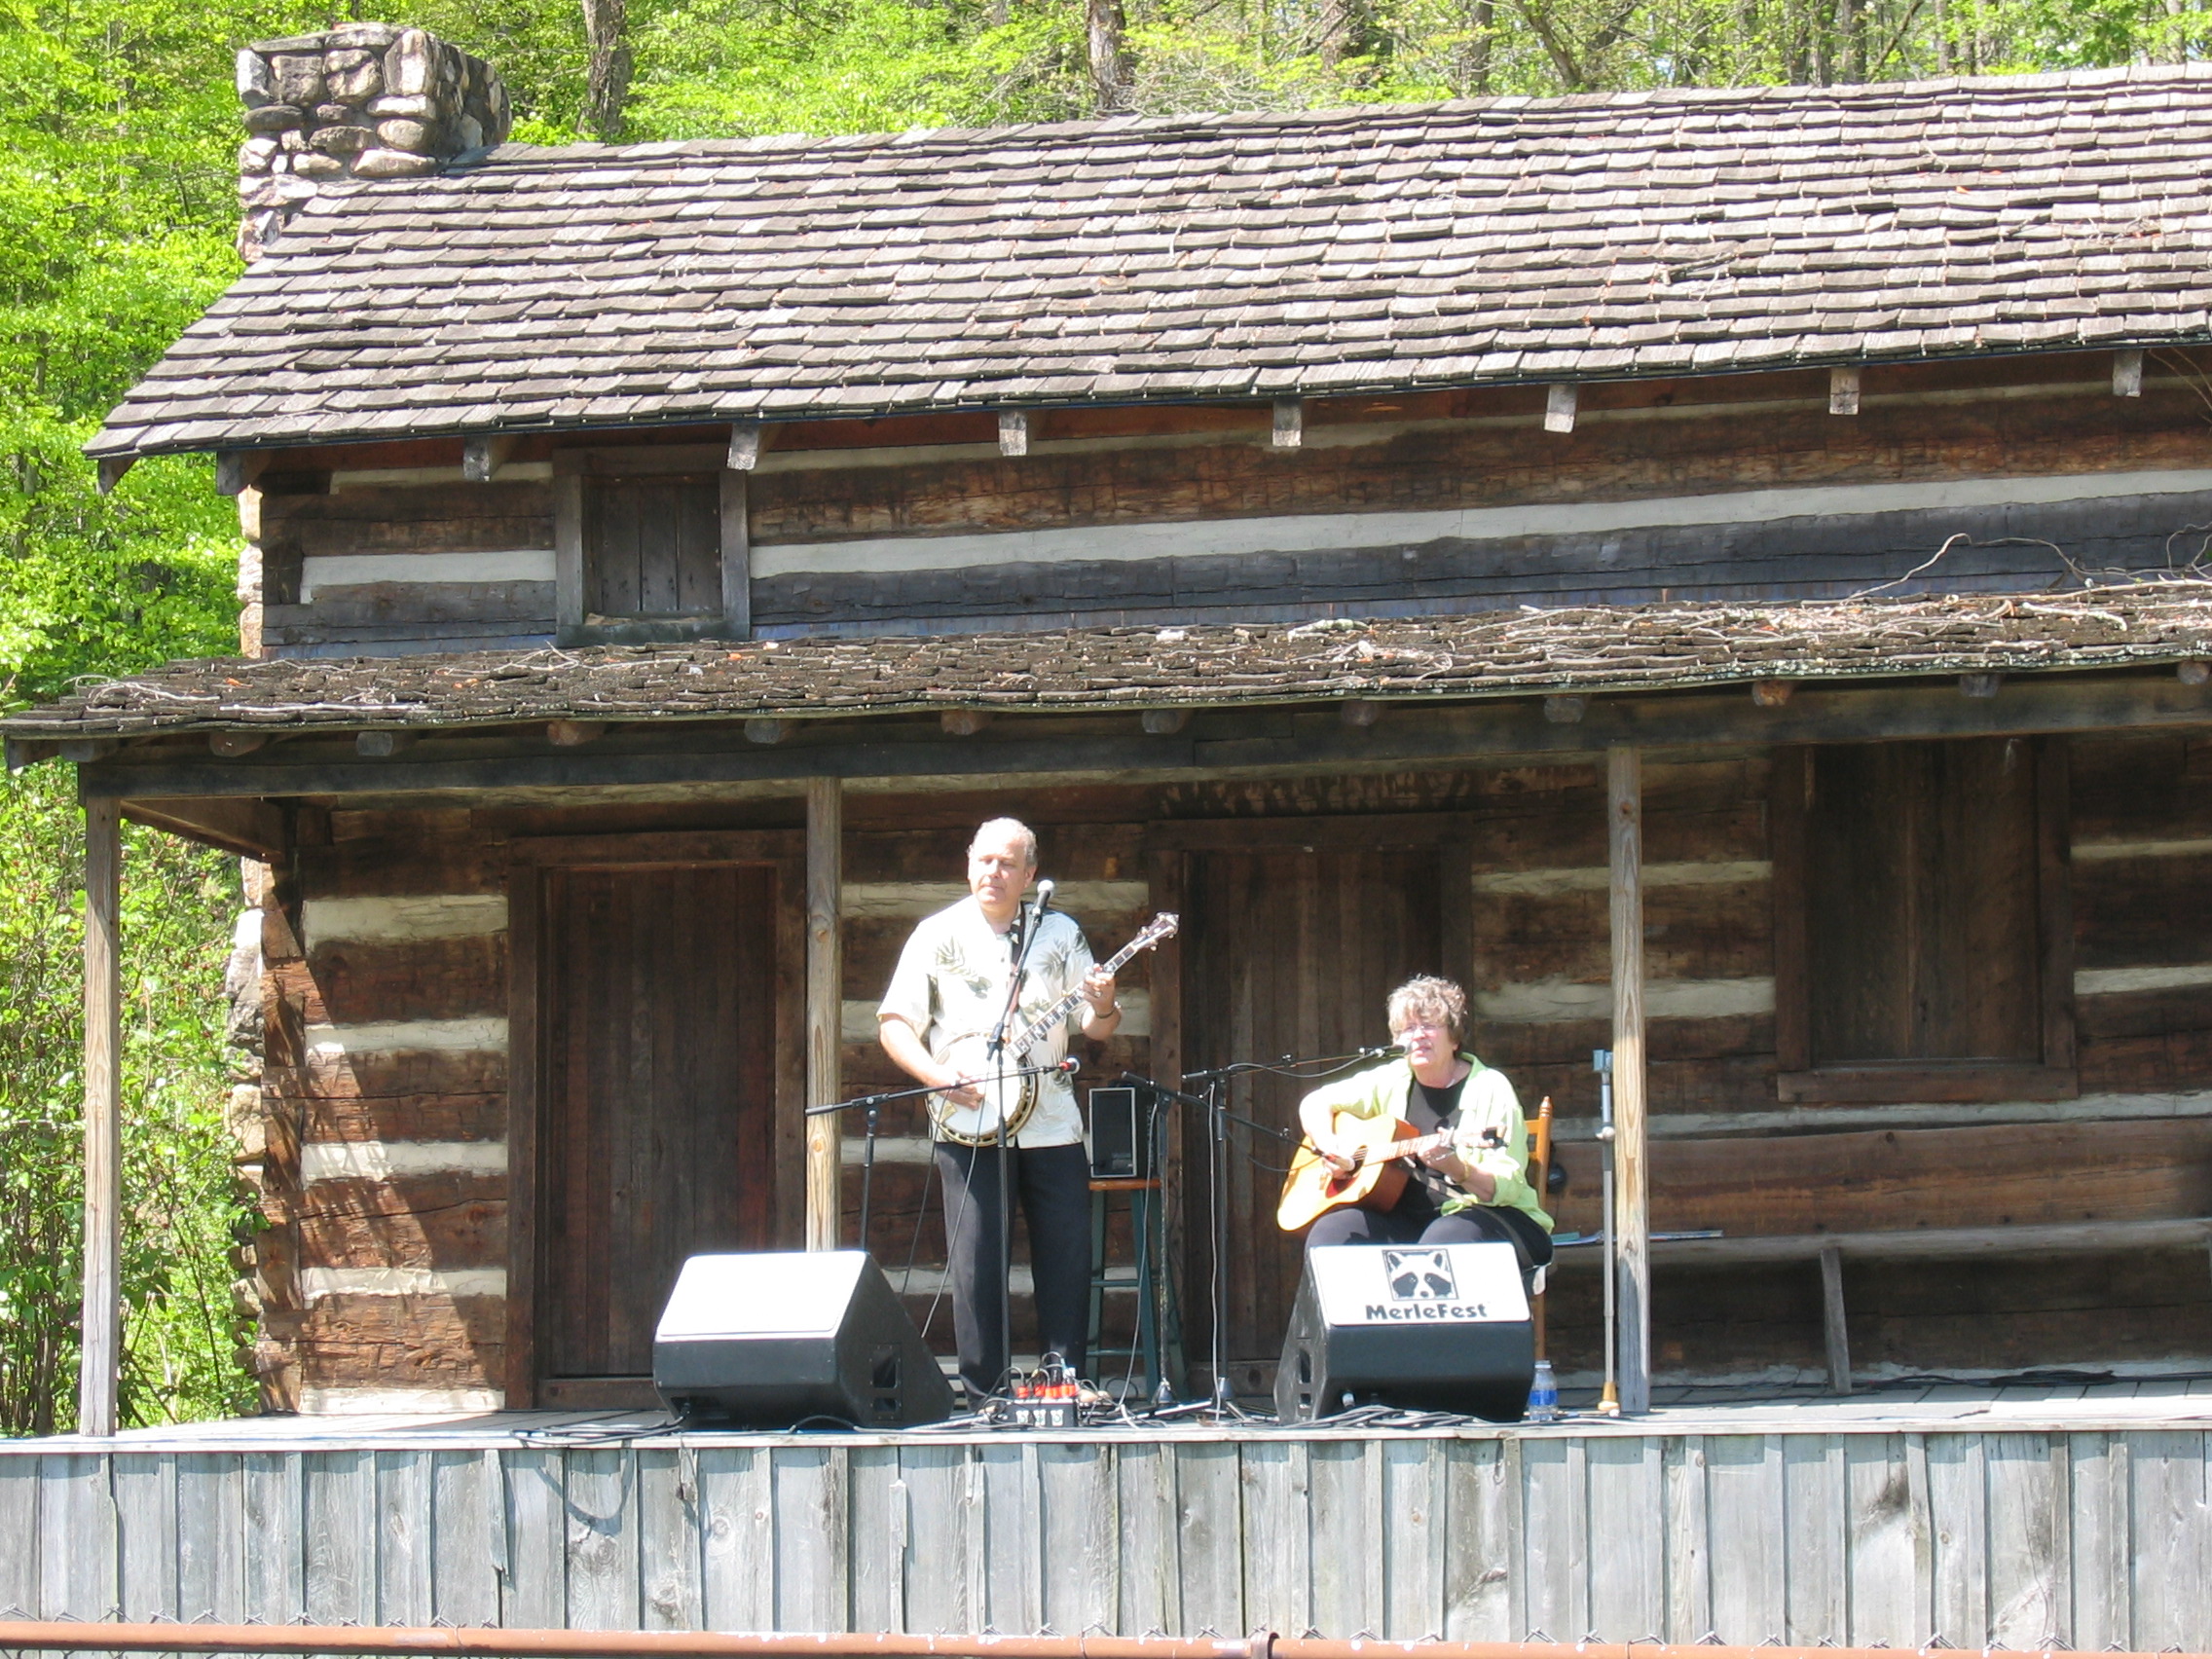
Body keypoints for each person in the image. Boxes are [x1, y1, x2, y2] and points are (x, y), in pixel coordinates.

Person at [878, 817, 1122, 1400]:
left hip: (1052, 1123)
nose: (994, 872)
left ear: (1030, 874)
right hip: (970, 1121)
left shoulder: (1059, 933)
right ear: (968, 863)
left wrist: (1106, 1002)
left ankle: (1063, 1382)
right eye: (985, 860)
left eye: (1008, 863)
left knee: (1066, 1256)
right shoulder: (936, 935)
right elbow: (894, 1024)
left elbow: (1098, 1029)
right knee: (977, 1263)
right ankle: (986, 1392)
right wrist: (938, 1078)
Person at [1295, 975, 1553, 1272]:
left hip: (1490, 1218)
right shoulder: (1392, 1078)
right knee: (1334, 1232)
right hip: (1408, 1219)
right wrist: (1331, 1147)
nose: (1417, 1036)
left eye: (1429, 1026)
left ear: (1454, 1037)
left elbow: (1504, 1188)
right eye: (1408, 1028)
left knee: (1443, 1241)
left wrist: (1458, 1168)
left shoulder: (1491, 1087)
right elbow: (1315, 1102)